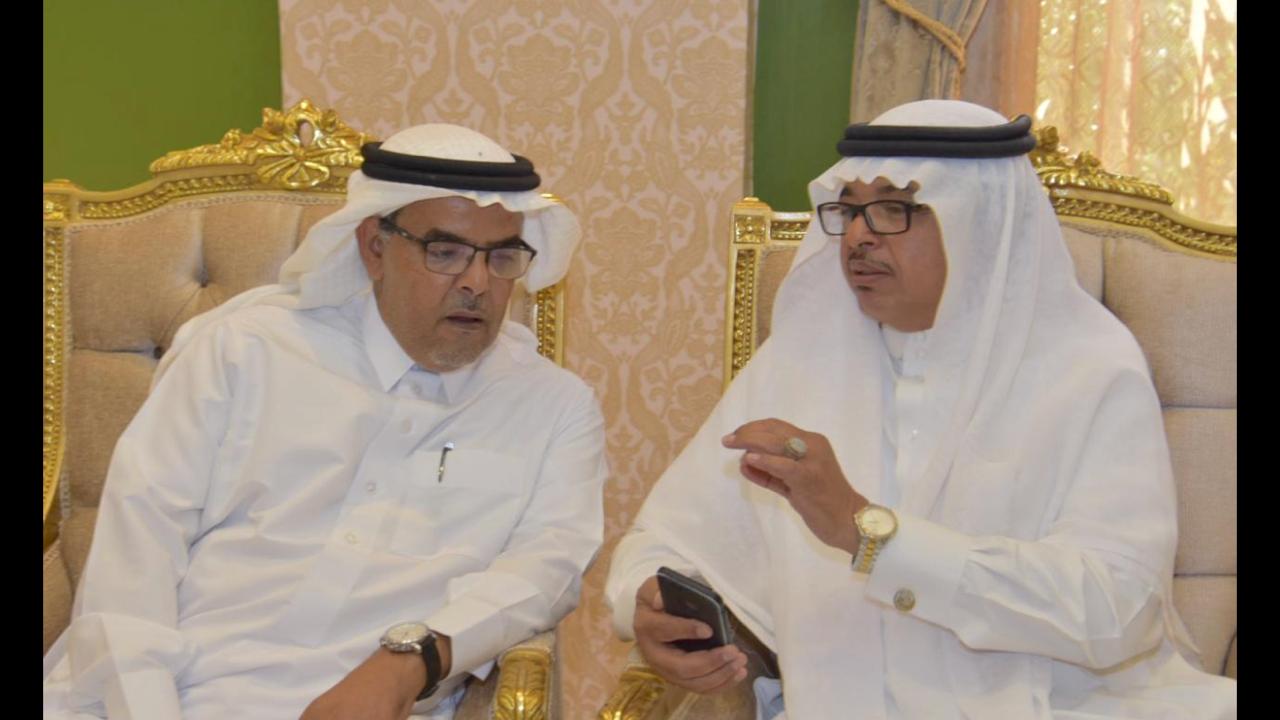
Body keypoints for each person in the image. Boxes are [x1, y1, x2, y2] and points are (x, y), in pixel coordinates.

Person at [605, 100, 1236, 719]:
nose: (859, 236)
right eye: (850, 210)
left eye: (894, 210)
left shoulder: (1088, 368)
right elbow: (664, 540)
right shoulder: (803, 358)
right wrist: (650, 604)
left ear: (978, 225)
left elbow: (1118, 609)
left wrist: (869, 536)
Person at [43, 123, 608, 720]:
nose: (477, 282)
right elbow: (137, 552)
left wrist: (412, 660)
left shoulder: (554, 406)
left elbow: (546, 569)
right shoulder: (243, 350)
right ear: (374, 247)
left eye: (502, 257)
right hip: (165, 694)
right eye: (444, 252)